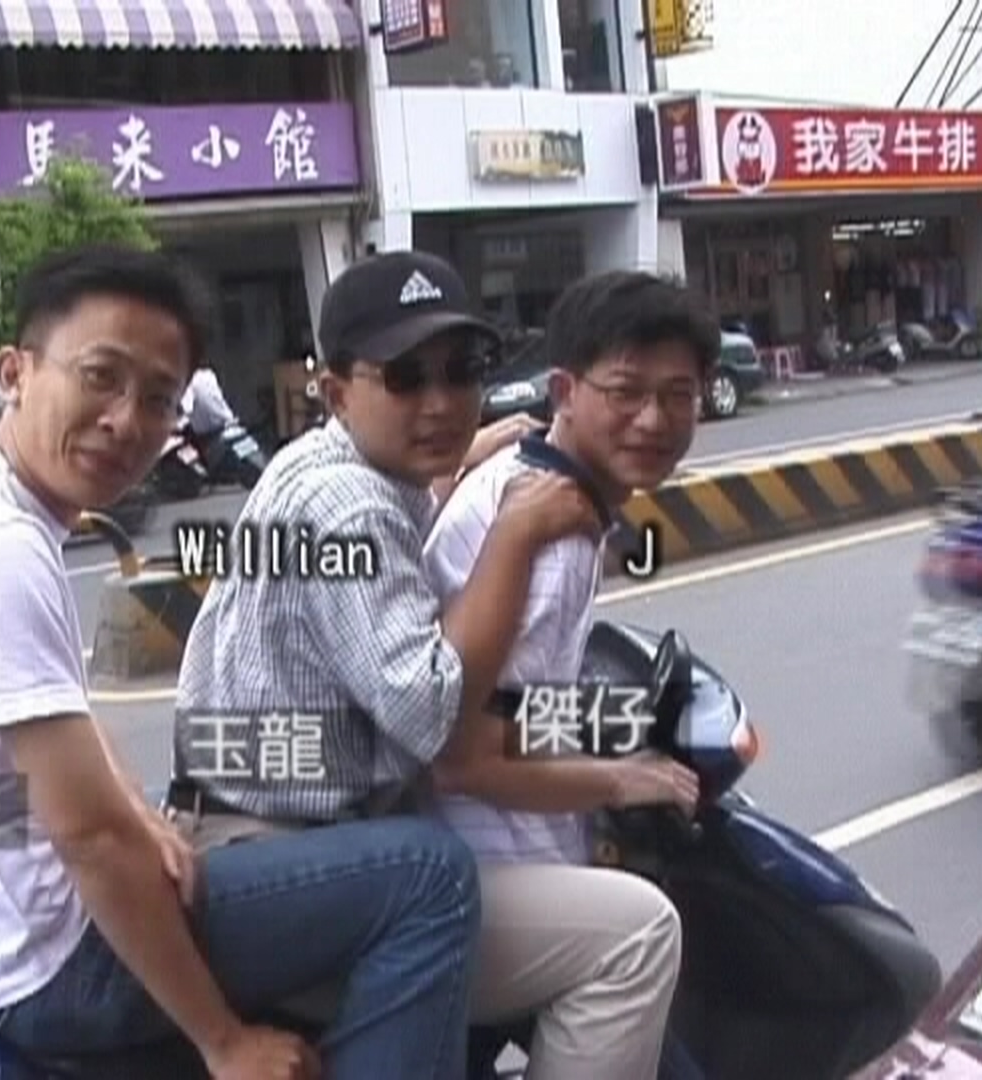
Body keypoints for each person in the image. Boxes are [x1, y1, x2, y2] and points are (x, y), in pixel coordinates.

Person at [0, 245, 487, 1080]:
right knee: (428, 874)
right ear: (13, 372)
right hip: (46, 967)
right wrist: (225, 1043)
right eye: (99, 377)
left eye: (157, 398)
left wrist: (140, 813)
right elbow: (88, 838)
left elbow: (56, 723)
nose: (124, 420)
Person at [168, 249, 603, 1052]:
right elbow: (433, 714)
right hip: (268, 844)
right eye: (404, 378)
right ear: (336, 393)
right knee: (443, 877)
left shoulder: (335, 462)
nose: (441, 403)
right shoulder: (348, 503)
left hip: (256, 824)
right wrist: (513, 533)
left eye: (462, 371)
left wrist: (456, 461)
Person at [423, 269, 722, 1079]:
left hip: (495, 851)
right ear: (564, 389)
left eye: (679, 395)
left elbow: (511, 710)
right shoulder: (547, 530)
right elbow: (465, 760)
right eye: (625, 392)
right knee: (641, 941)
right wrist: (622, 779)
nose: (654, 419)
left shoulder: (541, 487)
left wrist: (606, 736)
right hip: (484, 868)